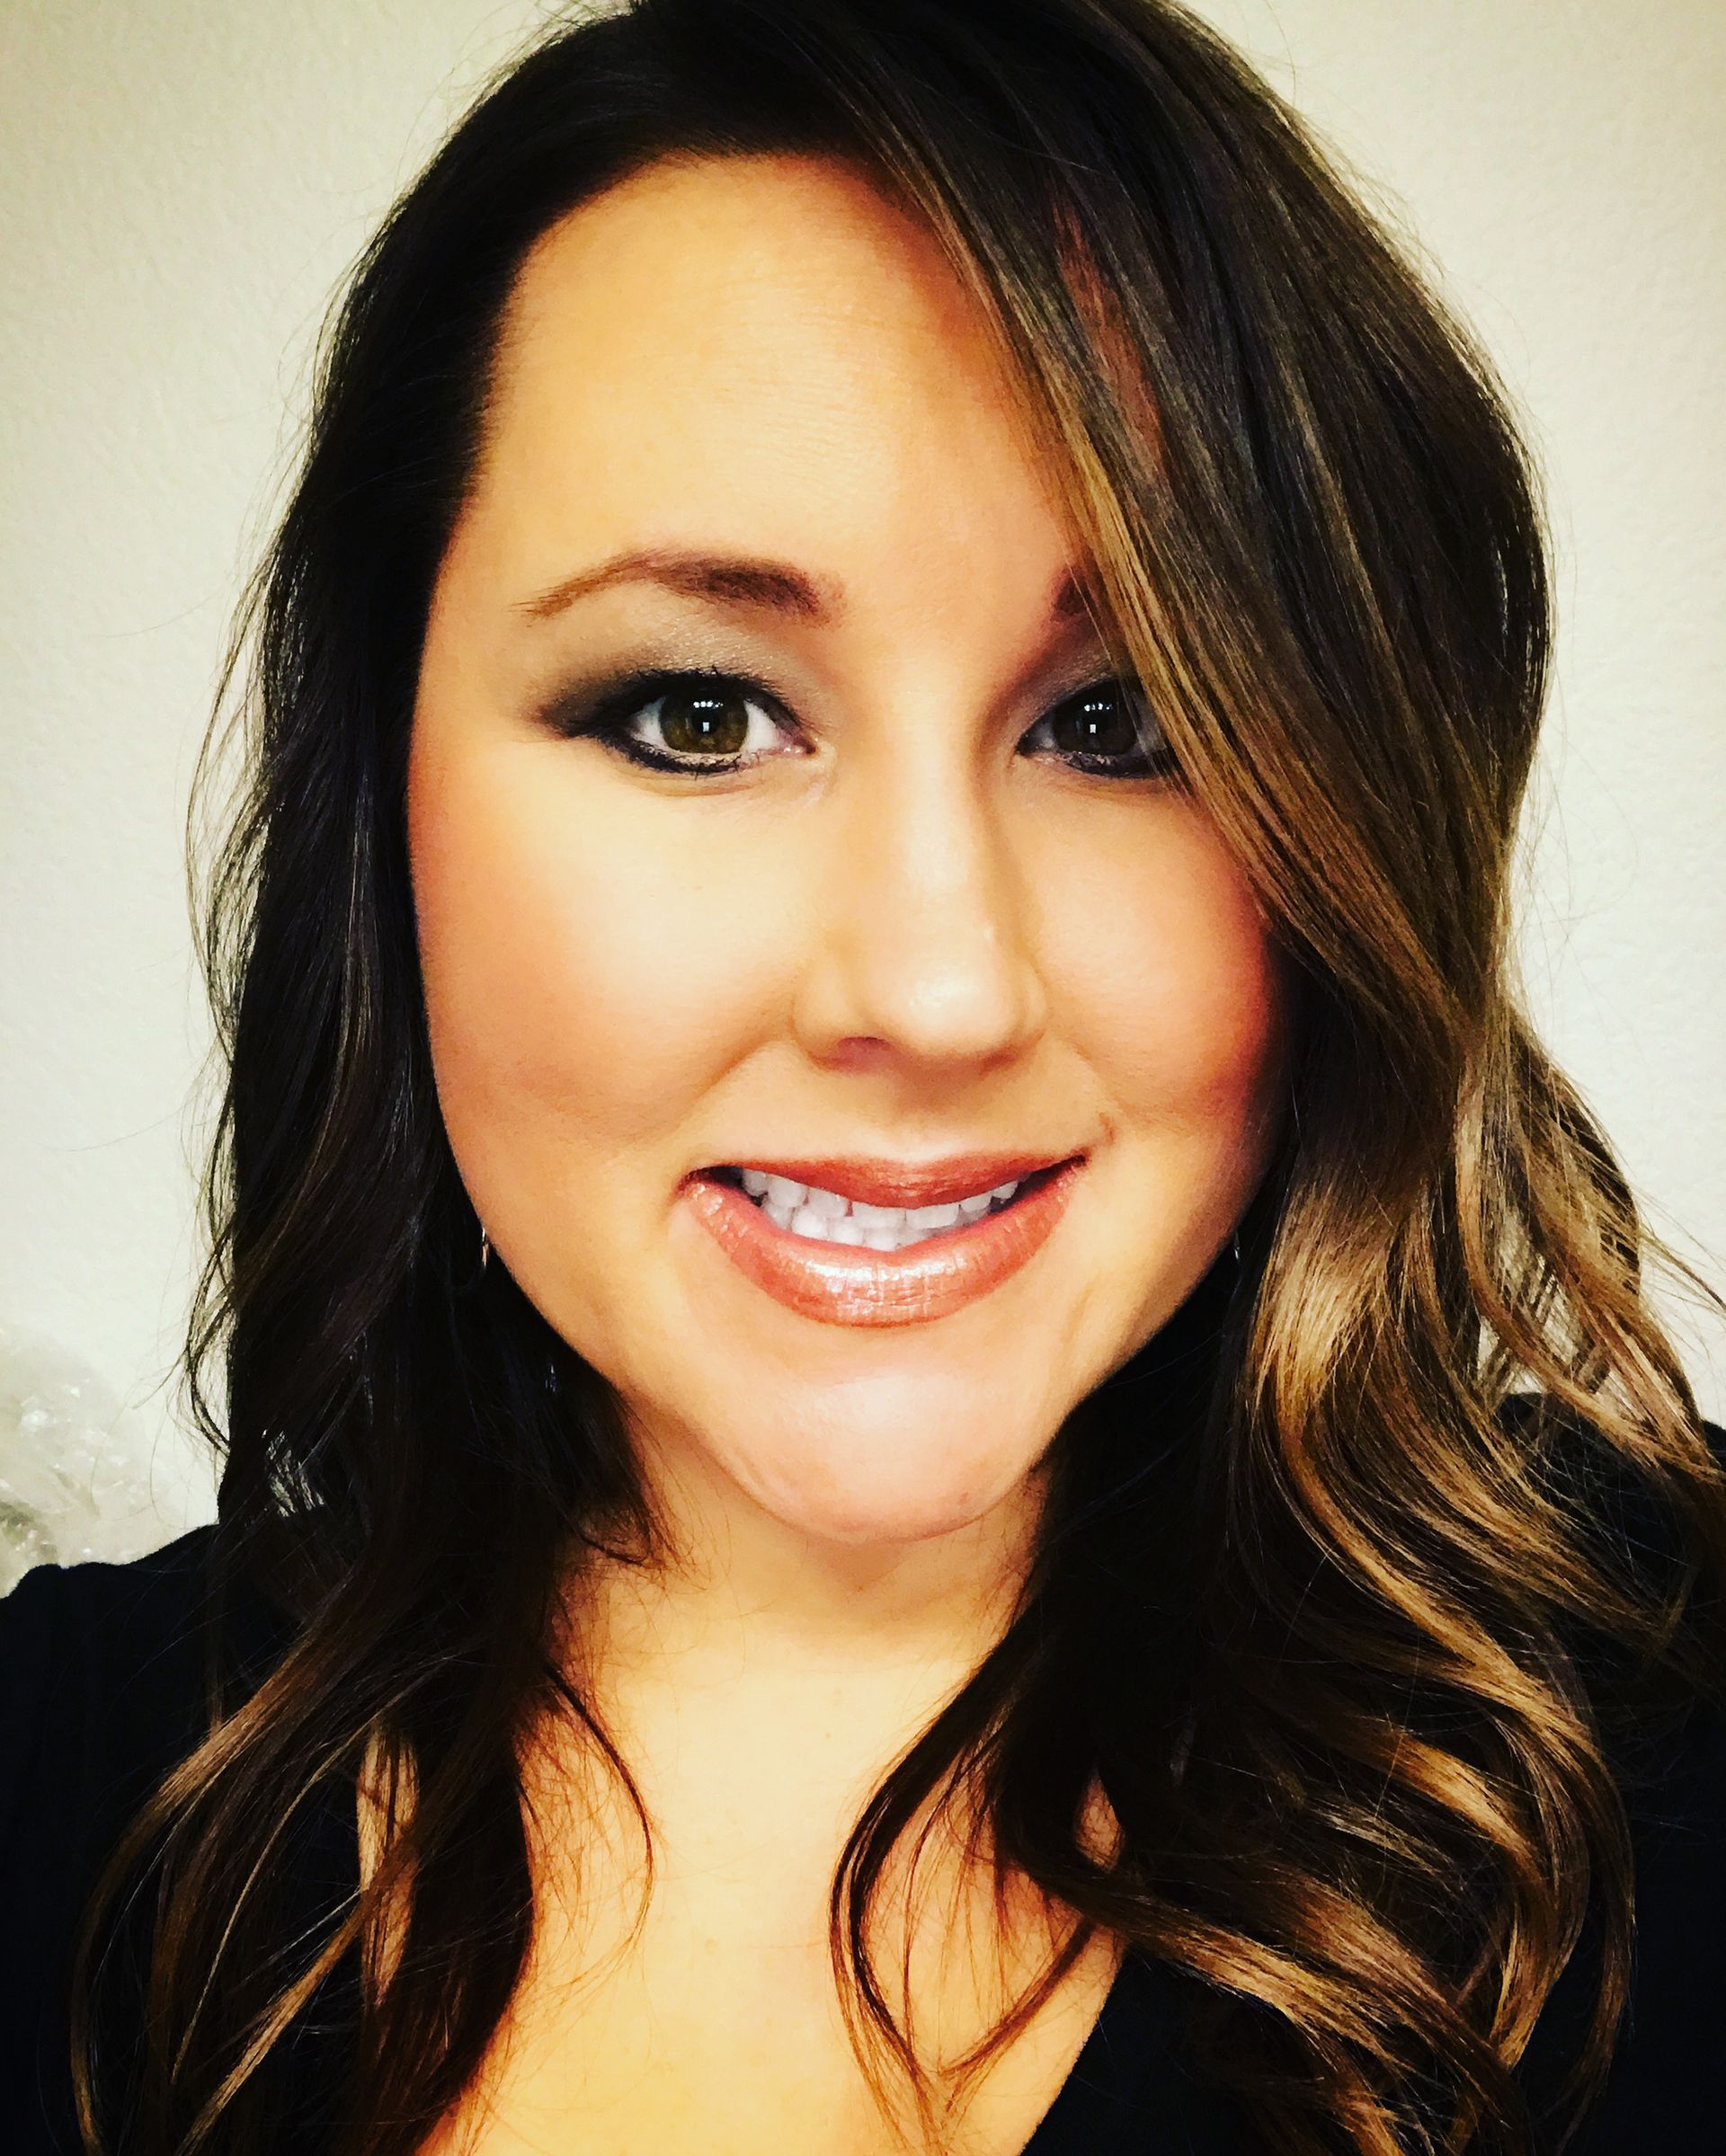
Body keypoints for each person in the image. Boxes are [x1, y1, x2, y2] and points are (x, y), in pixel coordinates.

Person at [3, 1, 1722, 2151]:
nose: (933, 986)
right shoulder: (55, 1793)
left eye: (1124, 725)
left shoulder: (1671, 1736)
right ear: (390, 806)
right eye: (700, 714)